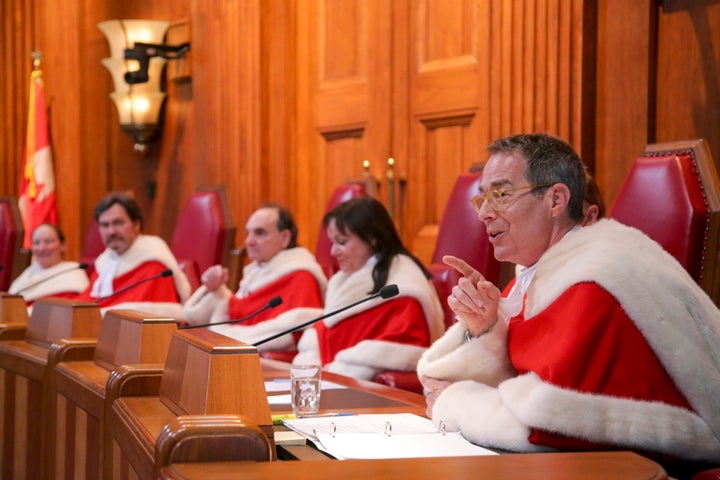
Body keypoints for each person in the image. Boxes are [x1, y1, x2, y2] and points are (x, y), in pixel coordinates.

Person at [417, 133, 720, 474]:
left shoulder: (596, 278)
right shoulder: (541, 270)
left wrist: (458, 404)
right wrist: (484, 327)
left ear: (556, 200)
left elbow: (555, 422)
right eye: (482, 199)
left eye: (500, 194)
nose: (485, 213)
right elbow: (522, 376)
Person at [293, 196, 445, 381]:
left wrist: (328, 380)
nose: (333, 252)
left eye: (341, 242)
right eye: (332, 242)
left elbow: (400, 349)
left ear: (372, 239)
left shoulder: (402, 287)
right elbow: (324, 333)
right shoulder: (343, 279)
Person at [183, 202, 327, 352]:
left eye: (259, 233)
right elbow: (239, 312)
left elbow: (292, 334)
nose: (249, 241)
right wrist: (214, 290)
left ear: (285, 238)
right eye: (248, 233)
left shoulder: (301, 276)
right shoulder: (257, 271)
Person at [75, 193, 191, 317]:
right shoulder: (104, 262)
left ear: (136, 225)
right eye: (105, 225)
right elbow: (86, 303)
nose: (111, 231)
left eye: (118, 223)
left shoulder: (155, 264)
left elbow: (147, 320)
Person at [9, 223, 89, 305]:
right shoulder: (29, 272)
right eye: (36, 243)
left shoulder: (73, 271)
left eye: (48, 242)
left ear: (63, 245)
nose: (42, 248)